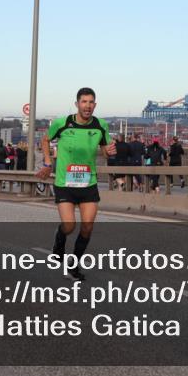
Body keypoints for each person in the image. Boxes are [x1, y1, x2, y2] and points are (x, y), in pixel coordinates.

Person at [35, 87, 116, 281]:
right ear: (77, 104)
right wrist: (47, 162)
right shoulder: (62, 123)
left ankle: (74, 266)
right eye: (84, 102)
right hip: (65, 182)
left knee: (87, 226)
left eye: (91, 102)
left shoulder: (100, 125)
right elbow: (46, 140)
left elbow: (105, 151)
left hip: (88, 183)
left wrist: (110, 151)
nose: (87, 106)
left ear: (95, 105)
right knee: (69, 225)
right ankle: (59, 241)